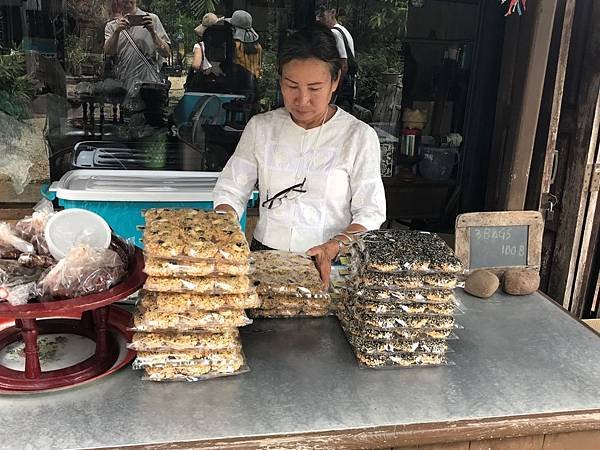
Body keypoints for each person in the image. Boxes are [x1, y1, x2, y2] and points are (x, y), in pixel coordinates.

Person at [213, 23, 386, 286]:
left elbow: (371, 213)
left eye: (315, 88)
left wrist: (334, 245)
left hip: (330, 262)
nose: (302, 100)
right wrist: (224, 226)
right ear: (280, 79)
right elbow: (231, 188)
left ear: (335, 81)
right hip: (265, 258)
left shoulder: (358, 136)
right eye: (291, 86)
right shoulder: (262, 127)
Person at [104, 0, 170, 95]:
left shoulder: (152, 19)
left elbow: (166, 53)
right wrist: (117, 32)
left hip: (149, 85)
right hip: (124, 84)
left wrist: (152, 32)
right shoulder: (111, 26)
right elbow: (108, 52)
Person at [316, 4, 357, 111]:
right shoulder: (343, 30)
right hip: (349, 84)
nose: (319, 19)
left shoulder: (334, 33)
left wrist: (335, 89)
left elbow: (344, 64)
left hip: (343, 87)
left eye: (322, 16)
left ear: (332, 13)